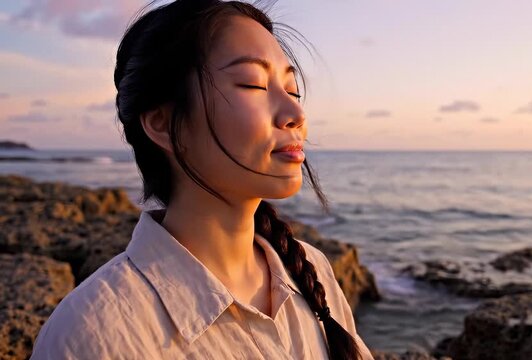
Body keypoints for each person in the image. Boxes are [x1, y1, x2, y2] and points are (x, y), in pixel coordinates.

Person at [30, 0, 373, 359]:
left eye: (292, 90)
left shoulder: (312, 270)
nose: (296, 114)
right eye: (252, 84)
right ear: (163, 124)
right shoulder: (93, 333)